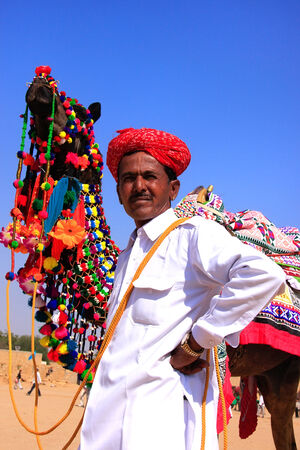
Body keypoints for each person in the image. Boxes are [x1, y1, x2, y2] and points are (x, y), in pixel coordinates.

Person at [80, 128, 285, 449]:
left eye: (150, 176)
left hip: (159, 420)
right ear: (118, 192)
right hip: (107, 420)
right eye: (128, 179)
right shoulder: (126, 256)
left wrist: (199, 340)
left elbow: (264, 274)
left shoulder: (192, 236)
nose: (139, 186)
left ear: (172, 188)